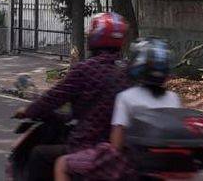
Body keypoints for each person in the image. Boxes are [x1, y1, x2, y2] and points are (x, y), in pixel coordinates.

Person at [14, 12, 130, 181]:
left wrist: (28, 111)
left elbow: (53, 97)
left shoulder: (84, 69)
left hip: (88, 144)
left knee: (39, 155)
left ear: (95, 36)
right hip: (120, 150)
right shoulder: (126, 72)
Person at [54, 38, 182, 181]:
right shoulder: (174, 98)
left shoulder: (126, 97)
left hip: (130, 165)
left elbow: (116, 144)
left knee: (62, 164)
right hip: (164, 164)